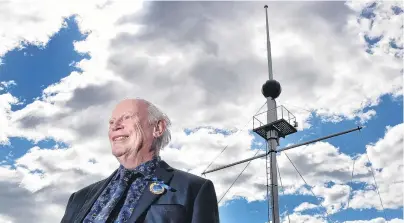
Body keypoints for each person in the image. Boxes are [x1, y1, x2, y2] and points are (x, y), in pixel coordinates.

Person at [61, 98, 220, 223]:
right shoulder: (79, 198)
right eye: (111, 122)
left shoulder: (194, 188)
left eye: (127, 117)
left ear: (158, 128)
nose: (115, 126)